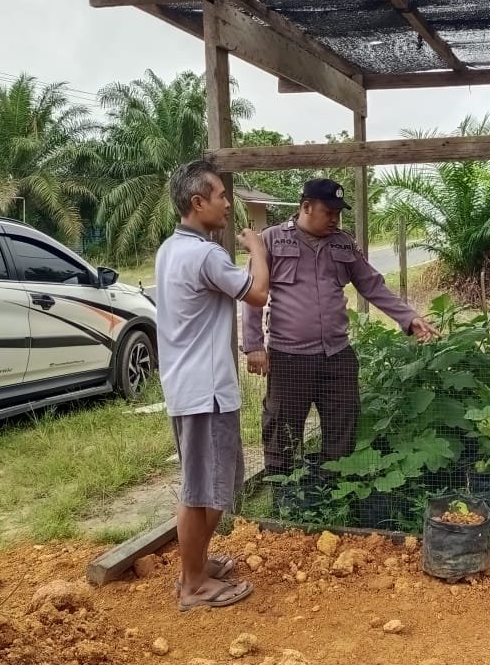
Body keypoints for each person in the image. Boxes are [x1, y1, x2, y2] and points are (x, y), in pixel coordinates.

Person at [241, 177, 437, 490]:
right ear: (306, 207)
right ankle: (285, 498)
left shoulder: (343, 244)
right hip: (290, 357)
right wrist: (254, 346)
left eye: (338, 213)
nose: (335, 219)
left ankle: (333, 495)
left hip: (336, 356)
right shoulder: (272, 240)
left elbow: (372, 284)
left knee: (342, 428)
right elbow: (252, 294)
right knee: (282, 430)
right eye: (329, 212)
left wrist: (409, 318)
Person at [155, 159, 269, 611]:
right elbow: (257, 293)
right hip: (208, 390)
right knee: (204, 488)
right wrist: (257, 247)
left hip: (189, 385)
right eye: (221, 195)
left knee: (208, 482)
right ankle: (193, 585)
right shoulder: (206, 255)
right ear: (197, 202)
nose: (227, 203)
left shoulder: (170, 249)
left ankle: (196, 566)